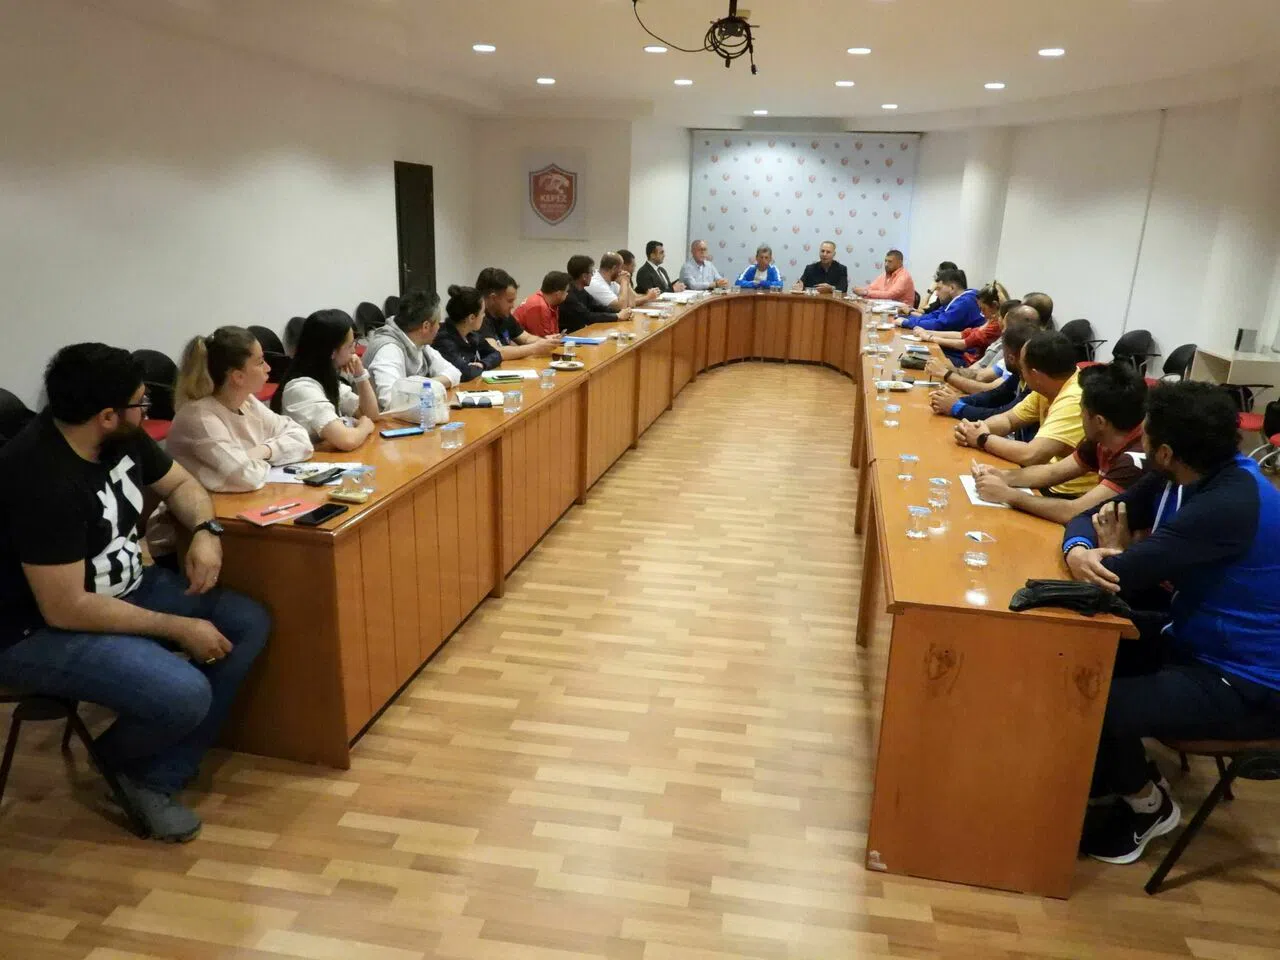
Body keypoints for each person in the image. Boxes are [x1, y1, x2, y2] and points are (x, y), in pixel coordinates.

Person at [0, 343, 270, 842]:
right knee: (185, 691)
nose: (147, 410)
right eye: (140, 403)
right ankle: (131, 770)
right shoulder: (38, 476)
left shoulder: (119, 436)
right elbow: (65, 607)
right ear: (106, 415)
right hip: (34, 630)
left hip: (124, 587)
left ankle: (148, 766)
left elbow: (182, 485)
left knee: (247, 622)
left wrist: (206, 530)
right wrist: (179, 627)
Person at [1062, 382, 1280, 865]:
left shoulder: (1226, 505)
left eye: (1146, 434)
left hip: (1248, 681)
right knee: (1077, 657)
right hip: (1195, 638)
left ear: (1163, 451)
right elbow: (1089, 518)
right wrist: (1079, 551)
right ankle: (1113, 774)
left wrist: (1111, 555)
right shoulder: (1183, 475)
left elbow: (1120, 575)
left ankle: (1148, 806)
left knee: (1095, 700)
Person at [973, 363, 1149, 522]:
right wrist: (1002, 476)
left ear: (1100, 422)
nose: (1080, 416)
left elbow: (1073, 511)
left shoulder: (1134, 460)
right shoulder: (1102, 438)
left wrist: (1008, 495)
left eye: (1082, 411)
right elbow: (1053, 472)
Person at [167, 326, 313, 493]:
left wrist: (262, 451)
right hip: (204, 507)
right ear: (238, 377)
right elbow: (248, 477)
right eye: (260, 362)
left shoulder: (247, 401)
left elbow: (302, 440)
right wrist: (274, 455)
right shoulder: (198, 418)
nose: (268, 368)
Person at [954, 331, 1098, 496]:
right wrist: (975, 429)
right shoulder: (1049, 385)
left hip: (1065, 493)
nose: (1020, 373)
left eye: (1022, 368)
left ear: (1036, 375)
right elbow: (1009, 419)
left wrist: (982, 438)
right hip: (1044, 478)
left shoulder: (1074, 398)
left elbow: (1032, 454)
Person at [272, 309, 379, 451]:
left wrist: (360, 374)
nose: (354, 351)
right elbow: (347, 440)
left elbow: (371, 414)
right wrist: (364, 427)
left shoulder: (325, 378)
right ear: (332, 352)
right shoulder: (301, 388)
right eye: (350, 345)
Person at [929, 307, 1042, 423]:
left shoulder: (1035, 387)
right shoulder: (1019, 374)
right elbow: (994, 395)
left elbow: (1003, 415)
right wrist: (957, 401)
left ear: (1012, 358)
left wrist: (956, 407)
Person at [363, 289, 462, 409]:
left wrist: (426, 385)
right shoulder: (388, 349)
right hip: (381, 419)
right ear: (426, 326)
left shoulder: (419, 343)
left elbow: (454, 373)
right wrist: (426, 387)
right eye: (437, 323)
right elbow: (391, 401)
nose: (439, 327)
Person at [925, 297, 1022, 394]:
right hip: (971, 374)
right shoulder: (996, 330)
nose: (981, 313)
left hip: (970, 370)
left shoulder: (1007, 346)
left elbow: (988, 387)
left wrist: (948, 373)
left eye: (983, 309)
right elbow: (980, 375)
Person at [916, 281, 1010, 364]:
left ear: (994, 305)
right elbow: (963, 334)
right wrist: (928, 332)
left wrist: (929, 338)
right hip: (970, 361)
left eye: (983, 309)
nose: (981, 313)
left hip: (971, 364)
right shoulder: (991, 321)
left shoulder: (995, 326)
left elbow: (963, 344)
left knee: (927, 359)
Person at [475, 267, 558, 361]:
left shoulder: (503, 315)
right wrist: (534, 348)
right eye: (509, 301)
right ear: (493, 298)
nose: (513, 306)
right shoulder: (478, 319)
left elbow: (526, 338)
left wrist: (547, 342)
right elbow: (496, 352)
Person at [433, 285, 503, 382]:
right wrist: (474, 369)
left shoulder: (471, 335)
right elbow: (463, 373)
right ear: (471, 318)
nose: (484, 316)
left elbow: (496, 355)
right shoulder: (444, 340)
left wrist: (482, 364)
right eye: (482, 312)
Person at [561, 255, 634, 334]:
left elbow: (597, 307)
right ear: (584, 276)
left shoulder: (581, 290)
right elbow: (588, 316)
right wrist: (617, 316)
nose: (593, 275)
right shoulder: (568, 294)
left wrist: (622, 312)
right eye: (591, 272)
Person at [899, 268, 981, 332]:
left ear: (952, 288)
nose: (937, 294)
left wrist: (906, 322)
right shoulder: (954, 300)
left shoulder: (964, 302)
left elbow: (938, 325)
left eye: (939, 289)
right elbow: (933, 316)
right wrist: (905, 318)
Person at [513, 271, 572, 338]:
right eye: (566, 291)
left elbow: (551, 335)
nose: (567, 294)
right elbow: (541, 340)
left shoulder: (551, 304)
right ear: (558, 294)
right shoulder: (539, 306)